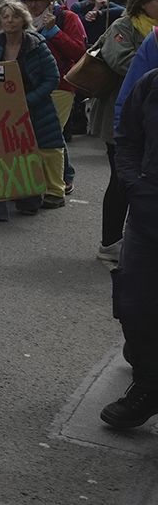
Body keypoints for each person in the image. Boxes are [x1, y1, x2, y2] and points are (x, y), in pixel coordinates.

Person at [0, 0, 62, 223]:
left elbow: (52, 79)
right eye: (6, 16)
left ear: (24, 20)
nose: (10, 21)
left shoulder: (37, 44)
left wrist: (28, 100)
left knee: (30, 152)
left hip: (34, 108)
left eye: (15, 16)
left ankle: (30, 198)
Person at [105, 61, 158, 429]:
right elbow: (127, 141)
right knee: (135, 304)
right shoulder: (151, 84)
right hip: (148, 214)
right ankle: (148, 386)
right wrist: (135, 188)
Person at [100, 0, 158, 262]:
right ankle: (110, 240)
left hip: (149, 117)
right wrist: (149, 60)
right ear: (143, 1)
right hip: (121, 114)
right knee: (122, 179)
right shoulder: (123, 27)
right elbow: (120, 61)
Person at [19, 0, 85, 208]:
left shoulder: (67, 18)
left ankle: (62, 180)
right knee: (40, 132)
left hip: (61, 85)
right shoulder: (21, 20)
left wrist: (54, 31)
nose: (34, 5)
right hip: (29, 87)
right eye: (29, 0)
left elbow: (79, 51)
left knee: (51, 130)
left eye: (39, 0)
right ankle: (57, 177)